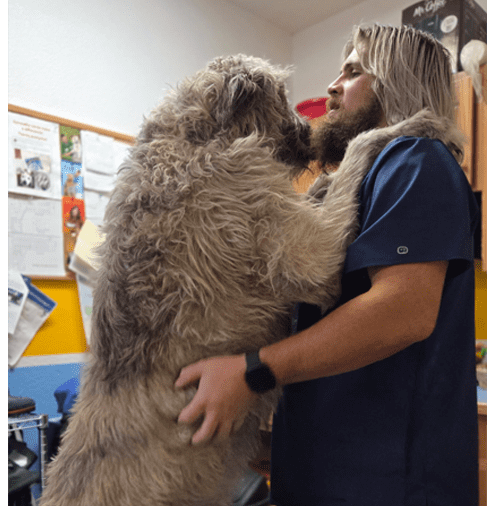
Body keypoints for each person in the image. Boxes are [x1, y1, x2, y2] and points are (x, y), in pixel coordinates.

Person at [174, 24, 478, 504]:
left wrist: (254, 370)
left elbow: (403, 310)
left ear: (396, 83)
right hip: (325, 470)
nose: (332, 86)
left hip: (386, 482)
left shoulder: (415, 160)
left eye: (354, 71)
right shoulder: (349, 185)